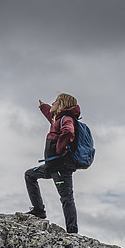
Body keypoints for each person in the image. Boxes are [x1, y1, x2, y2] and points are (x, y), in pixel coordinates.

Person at [24, 92, 81, 233]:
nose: (53, 103)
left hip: (61, 167)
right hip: (51, 166)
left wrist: (59, 148)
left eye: (55, 101)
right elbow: (50, 114)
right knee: (29, 175)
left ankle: (72, 232)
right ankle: (39, 210)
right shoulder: (57, 119)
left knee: (66, 198)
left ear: (62, 104)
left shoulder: (66, 119)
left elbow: (68, 132)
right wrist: (43, 106)